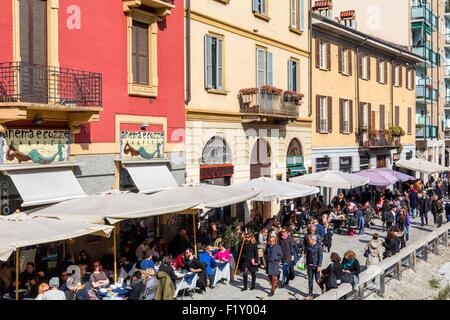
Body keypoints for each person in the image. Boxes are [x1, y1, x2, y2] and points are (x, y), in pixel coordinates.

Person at [304, 234, 323, 300]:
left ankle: (323, 288)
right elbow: (307, 256)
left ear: (313, 240)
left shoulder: (319, 246)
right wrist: (306, 264)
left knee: (317, 280)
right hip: (309, 266)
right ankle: (310, 294)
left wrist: (319, 265)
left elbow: (320, 256)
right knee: (310, 281)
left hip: (316, 266)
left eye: (309, 240)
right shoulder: (308, 246)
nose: (308, 241)